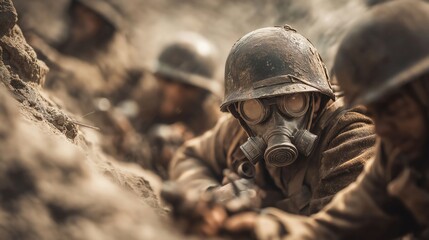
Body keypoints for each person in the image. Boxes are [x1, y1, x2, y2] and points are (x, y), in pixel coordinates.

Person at [223, 1, 429, 239]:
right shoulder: (396, 154)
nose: (380, 129)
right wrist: (263, 228)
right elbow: (336, 228)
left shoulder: (352, 133)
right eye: (375, 113)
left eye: (397, 110)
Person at [168, 25, 376, 222]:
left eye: (293, 101)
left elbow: (335, 230)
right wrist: (211, 196)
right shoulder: (242, 127)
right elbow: (189, 156)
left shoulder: (350, 138)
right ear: (238, 110)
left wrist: (256, 218)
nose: (276, 122)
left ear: (316, 100)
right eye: (257, 107)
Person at [135, 32, 223, 178]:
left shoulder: (212, 127)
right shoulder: (145, 98)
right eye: (168, 79)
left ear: (204, 93)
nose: (175, 91)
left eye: (187, 86)